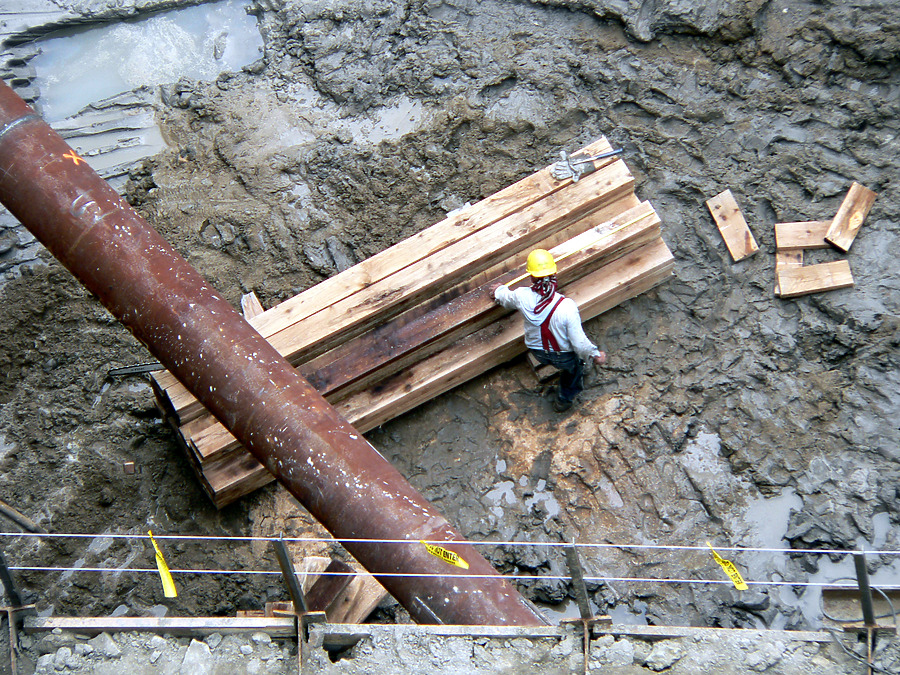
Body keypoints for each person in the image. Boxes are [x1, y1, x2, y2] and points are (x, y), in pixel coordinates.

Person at [493, 249, 606, 412]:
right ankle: (563, 401)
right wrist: (595, 355)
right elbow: (580, 344)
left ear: (532, 277)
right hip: (563, 357)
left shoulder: (521, 296)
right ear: (554, 274)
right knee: (574, 370)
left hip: (537, 352)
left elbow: (505, 297)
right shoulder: (567, 306)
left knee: (562, 359)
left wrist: (498, 290)